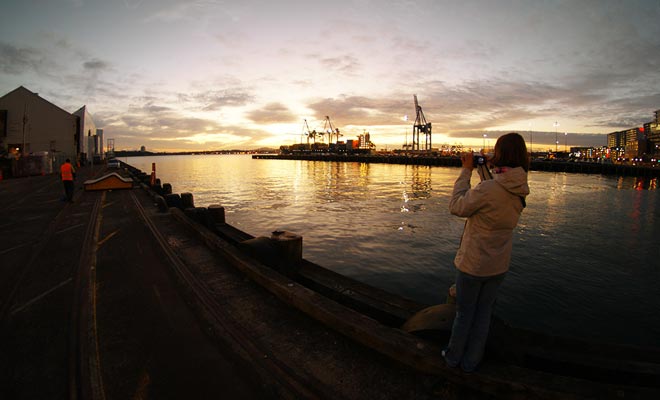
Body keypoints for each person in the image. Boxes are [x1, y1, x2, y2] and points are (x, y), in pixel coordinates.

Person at [443, 132, 530, 372]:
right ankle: (472, 362)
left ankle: (452, 358)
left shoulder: (489, 189)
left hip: (473, 265)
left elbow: (456, 206)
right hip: (498, 265)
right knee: (483, 316)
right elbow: (495, 190)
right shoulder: (520, 187)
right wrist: (486, 170)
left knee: (464, 314)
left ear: (500, 154)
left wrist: (466, 171)